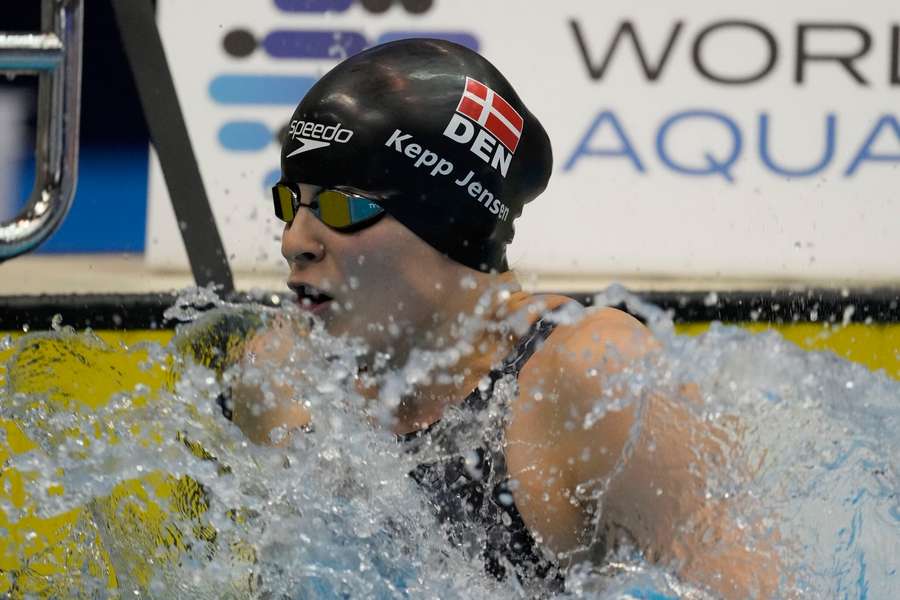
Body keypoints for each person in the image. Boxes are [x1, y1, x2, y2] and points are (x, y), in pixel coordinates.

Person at [231, 39, 778, 598]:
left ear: (448, 220)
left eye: (340, 207)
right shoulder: (285, 382)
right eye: (289, 203)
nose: (293, 241)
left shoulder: (587, 380)